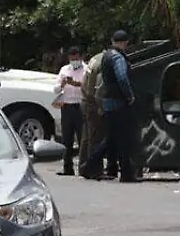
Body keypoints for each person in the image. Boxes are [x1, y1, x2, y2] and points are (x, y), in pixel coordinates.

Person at [81, 30, 137, 183]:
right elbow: (122, 78)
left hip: (108, 102)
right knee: (121, 138)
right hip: (118, 102)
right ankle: (124, 173)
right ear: (125, 42)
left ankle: (91, 166)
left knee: (112, 138)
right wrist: (129, 96)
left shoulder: (106, 55)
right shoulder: (118, 57)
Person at [78, 48, 118, 179]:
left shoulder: (95, 58)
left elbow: (85, 82)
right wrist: (100, 106)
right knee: (96, 138)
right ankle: (94, 170)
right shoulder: (105, 62)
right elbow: (99, 87)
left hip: (85, 100)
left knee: (86, 138)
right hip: (93, 103)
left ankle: (83, 167)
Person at [53, 47, 86, 175]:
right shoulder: (64, 70)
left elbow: (87, 87)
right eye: (72, 59)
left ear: (81, 57)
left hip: (80, 106)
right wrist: (62, 84)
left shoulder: (86, 70)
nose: (74, 61)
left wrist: (76, 84)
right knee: (67, 138)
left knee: (82, 137)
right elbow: (55, 89)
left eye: (76, 59)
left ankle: (83, 167)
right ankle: (67, 168)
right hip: (67, 106)